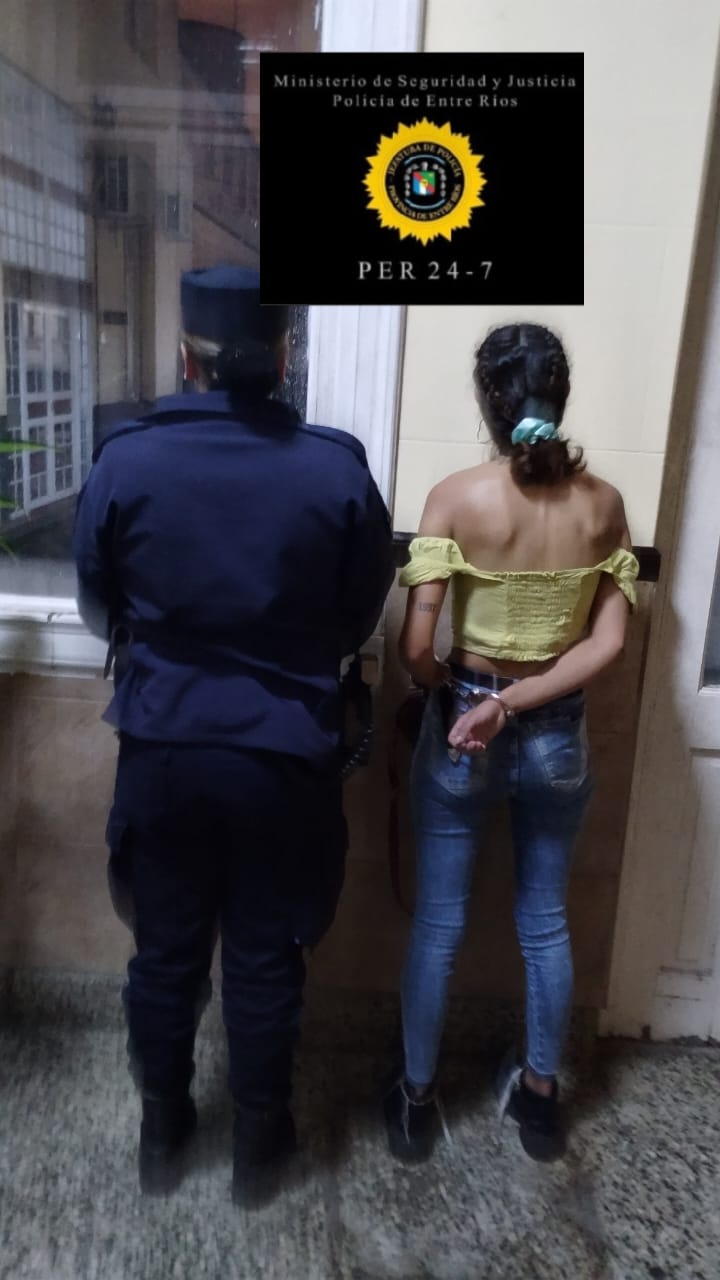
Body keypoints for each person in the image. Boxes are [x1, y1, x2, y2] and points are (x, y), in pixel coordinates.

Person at [73, 265, 394, 1204]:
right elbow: (358, 613)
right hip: (284, 758)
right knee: (264, 954)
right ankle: (259, 1149)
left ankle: (161, 1135)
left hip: (165, 746)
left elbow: (97, 605)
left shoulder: (126, 460)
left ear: (188, 358)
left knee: (164, 952)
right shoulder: (335, 468)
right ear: (284, 357)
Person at [383, 322, 639, 1165]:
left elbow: (416, 649)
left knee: (438, 927)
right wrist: (523, 701)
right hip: (559, 736)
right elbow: (608, 645)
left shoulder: (456, 497)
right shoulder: (605, 506)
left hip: (465, 725)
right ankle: (539, 1103)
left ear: (487, 400)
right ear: (558, 395)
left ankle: (416, 1103)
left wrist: (462, 698)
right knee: (546, 924)